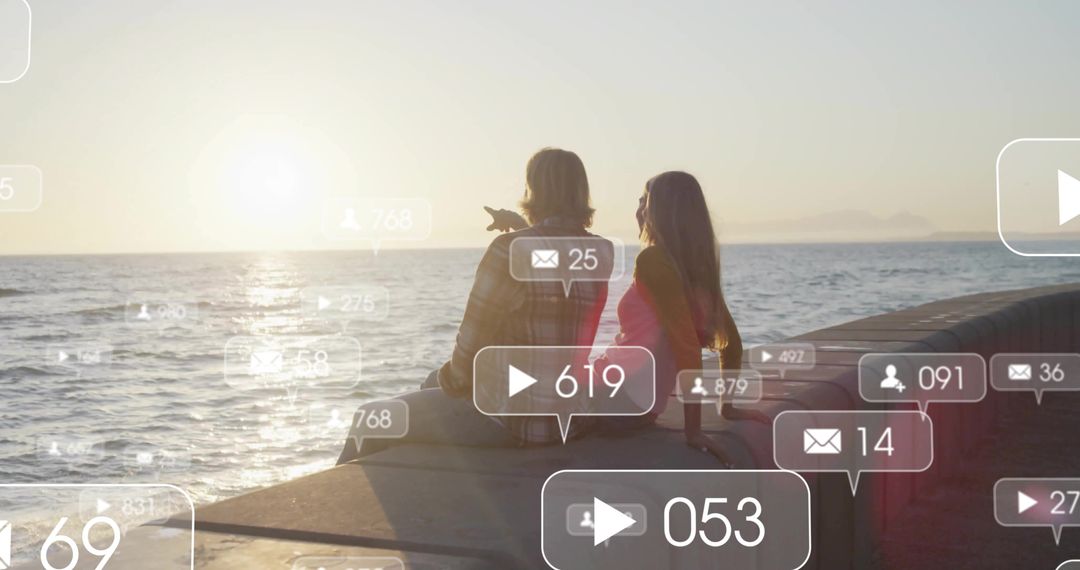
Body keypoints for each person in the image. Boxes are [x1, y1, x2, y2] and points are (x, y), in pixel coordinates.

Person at [338, 148, 608, 463]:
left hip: (512, 420)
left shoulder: (507, 250)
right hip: (566, 416)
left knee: (370, 419)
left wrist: (451, 381)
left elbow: (470, 346)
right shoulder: (601, 252)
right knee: (431, 383)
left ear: (532, 190)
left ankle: (336, 496)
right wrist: (520, 225)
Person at [592, 171, 764, 464]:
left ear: (662, 212)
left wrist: (693, 430)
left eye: (644, 201)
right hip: (640, 407)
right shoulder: (697, 269)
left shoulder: (653, 261)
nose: (638, 209)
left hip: (613, 396)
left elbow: (686, 346)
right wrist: (727, 405)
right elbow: (731, 342)